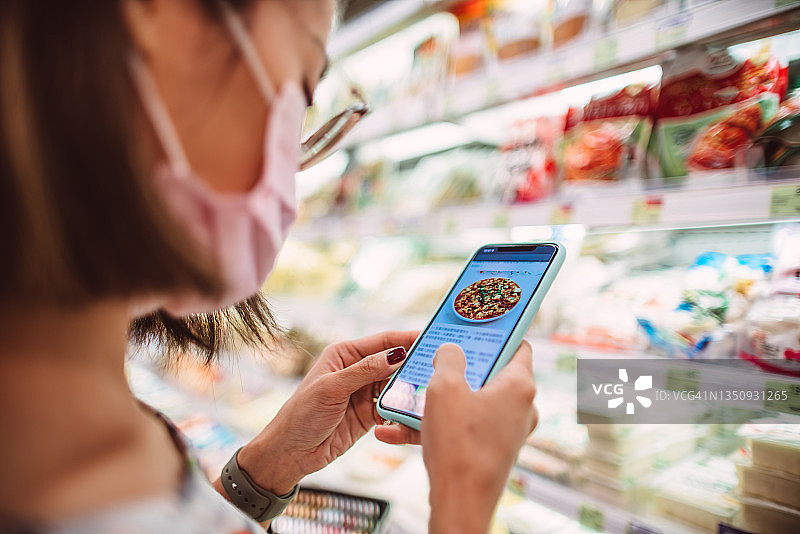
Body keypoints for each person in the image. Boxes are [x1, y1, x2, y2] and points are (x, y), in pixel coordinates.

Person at [0, 1, 539, 532]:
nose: (294, 172)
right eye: (303, 93)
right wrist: (465, 497)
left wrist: (267, 469)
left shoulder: (71, 404)